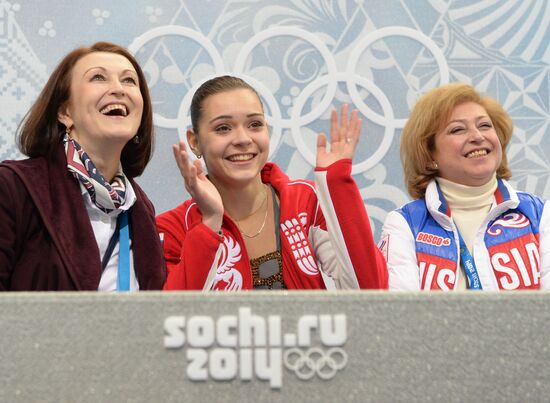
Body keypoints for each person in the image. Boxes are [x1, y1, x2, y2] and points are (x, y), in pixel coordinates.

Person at [157, 75, 387, 290]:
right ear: (194, 141)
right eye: (223, 128)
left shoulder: (306, 202)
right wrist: (210, 223)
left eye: (254, 124)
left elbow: (370, 291)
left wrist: (337, 185)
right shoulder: (173, 228)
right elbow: (170, 317)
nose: (243, 139)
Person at [0, 42, 165, 291]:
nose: (119, 89)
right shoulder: (12, 188)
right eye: (98, 77)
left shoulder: (139, 207)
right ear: (65, 112)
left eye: (129, 81)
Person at [380, 82, 550, 291]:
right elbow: (398, 313)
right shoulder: (405, 224)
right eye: (458, 129)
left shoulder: (541, 215)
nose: (478, 137)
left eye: (485, 126)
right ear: (429, 155)